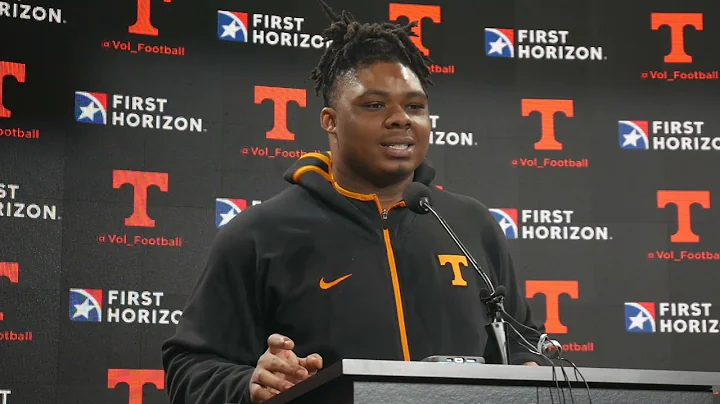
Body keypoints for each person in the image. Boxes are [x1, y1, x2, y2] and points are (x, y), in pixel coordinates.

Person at [161, 1, 548, 403]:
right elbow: (191, 368)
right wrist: (251, 385)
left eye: (415, 106)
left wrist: (531, 369)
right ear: (330, 121)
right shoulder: (260, 233)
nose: (401, 119)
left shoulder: (470, 224)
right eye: (375, 105)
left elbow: (523, 344)